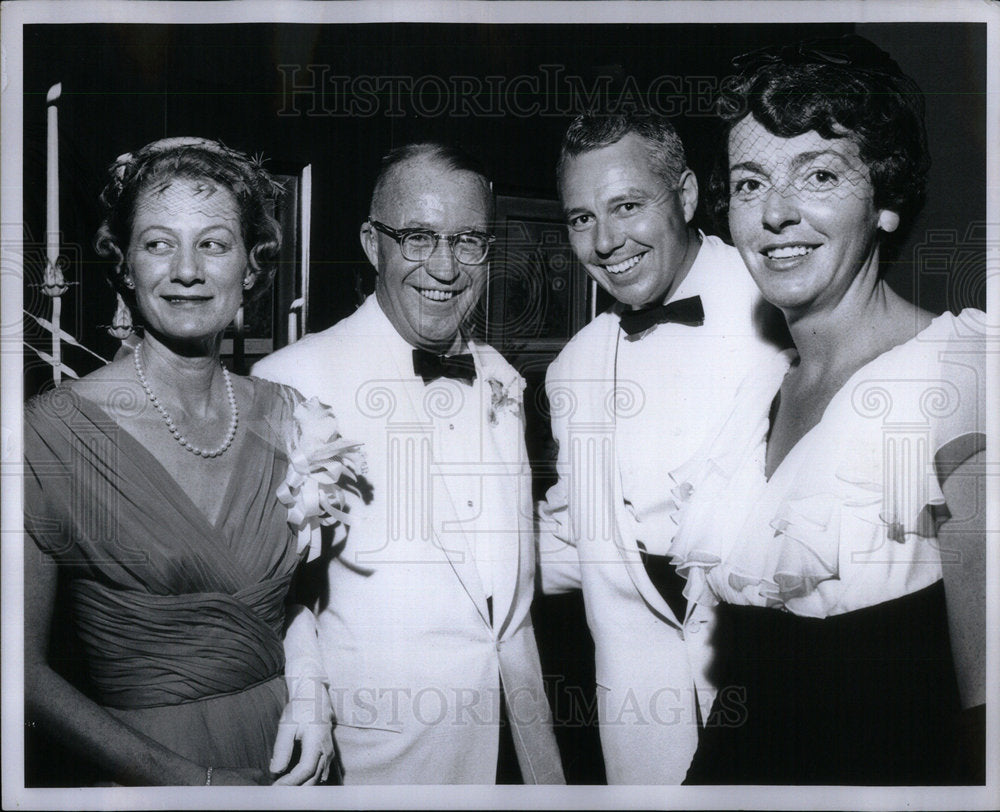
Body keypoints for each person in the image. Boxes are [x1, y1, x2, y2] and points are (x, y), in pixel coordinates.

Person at [668, 35, 987, 785]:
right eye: (749, 183)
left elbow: (989, 715)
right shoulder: (756, 395)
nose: (775, 213)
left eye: (817, 173)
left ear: (886, 198)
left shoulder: (958, 377)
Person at [24, 137, 337, 786]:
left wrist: (311, 698)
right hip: (147, 776)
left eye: (215, 244)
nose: (187, 271)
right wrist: (198, 786)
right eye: (160, 243)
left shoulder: (292, 415)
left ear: (252, 266)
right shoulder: (51, 433)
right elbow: (19, 672)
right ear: (124, 264)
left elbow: (300, 595)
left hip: (288, 763)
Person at [252, 142, 564, 785]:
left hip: (520, 734)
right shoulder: (289, 381)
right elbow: (273, 589)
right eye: (418, 238)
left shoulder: (505, 379)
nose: (445, 267)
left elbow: (510, 565)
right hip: (385, 752)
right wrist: (306, 693)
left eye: (468, 240)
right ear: (373, 244)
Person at [536, 110, 783, 783]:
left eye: (627, 206)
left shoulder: (786, 312)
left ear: (689, 195)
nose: (607, 240)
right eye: (581, 218)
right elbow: (571, 538)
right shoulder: (574, 368)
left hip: (781, 715)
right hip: (640, 739)